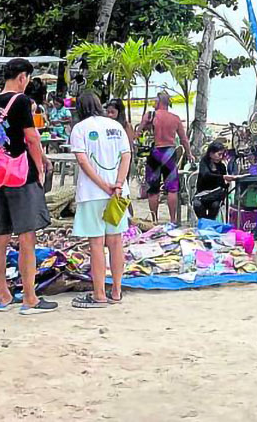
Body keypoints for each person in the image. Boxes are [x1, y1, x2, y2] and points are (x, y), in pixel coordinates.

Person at [0, 58, 56, 315]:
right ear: (22, 77)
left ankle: (3, 295)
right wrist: (41, 167)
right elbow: (32, 139)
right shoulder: (21, 101)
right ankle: (30, 298)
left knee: (0, 237)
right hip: (20, 175)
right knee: (26, 238)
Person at [68, 91, 131, 308]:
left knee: (96, 243)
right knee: (116, 242)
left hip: (92, 194)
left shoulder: (80, 129)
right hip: (119, 194)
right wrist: (118, 184)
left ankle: (99, 294)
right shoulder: (116, 126)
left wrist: (104, 186)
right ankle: (116, 290)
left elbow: (84, 163)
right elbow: (126, 155)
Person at [140, 92, 193, 222]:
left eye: (154, 101)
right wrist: (189, 154)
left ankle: (154, 219)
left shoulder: (151, 116)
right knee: (172, 188)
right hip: (169, 152)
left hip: (155, 152)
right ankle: (173, 219)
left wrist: (145, 126)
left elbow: (139, 132)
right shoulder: (175, 118)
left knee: (153, 189)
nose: (153, 103)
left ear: (159, 102)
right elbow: (183, 139)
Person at [193, 142, 235, 220]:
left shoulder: (222, 167)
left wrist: (227, 182)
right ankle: (205, 224)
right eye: (219, 154)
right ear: (211, 154)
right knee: (197, 205)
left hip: (215, 197)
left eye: (222, 155)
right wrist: (222, 177)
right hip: (202, 195)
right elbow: (206, 175)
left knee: (215, 206)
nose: (220, 157)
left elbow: (223, 185)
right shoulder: (204, 163)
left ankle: (209, 224)